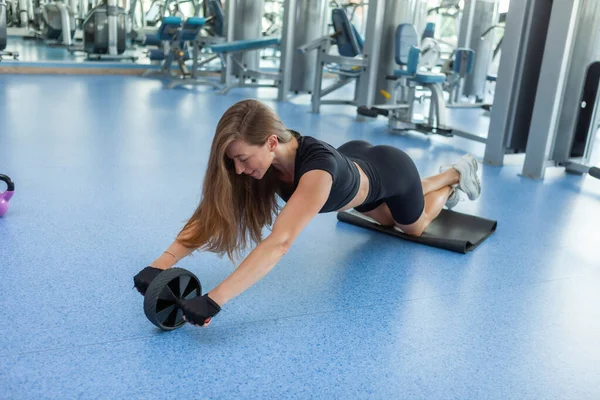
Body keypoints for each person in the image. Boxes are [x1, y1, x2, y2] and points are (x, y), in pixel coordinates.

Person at [133, 99, 481, 327]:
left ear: (271, 142)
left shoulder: (317, 173)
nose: (238, 170)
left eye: (242, 158)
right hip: (354, 162)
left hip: (391, 171)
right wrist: (160, 263)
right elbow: (214, 213)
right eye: (232, 161)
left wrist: (215, 299)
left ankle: (452, 176)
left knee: (413, 227)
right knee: (386, 219)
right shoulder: (263, 164)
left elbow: (280, 243)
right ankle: (439, 181)